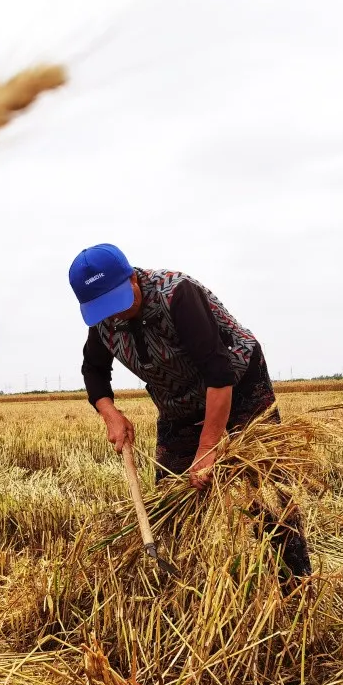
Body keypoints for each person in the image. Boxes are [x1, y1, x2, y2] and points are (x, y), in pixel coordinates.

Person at [68, 242, 313, 591]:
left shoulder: (177, 294)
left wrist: (209, 446)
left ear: (132, 278)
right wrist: (110, 413)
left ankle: (296, 588)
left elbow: (218, 371)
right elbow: (93, 369)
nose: (116, 314)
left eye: (118, 301)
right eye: (104, 307)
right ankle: (185, 589)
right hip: (178, 403)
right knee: (173, 495)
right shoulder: (104, 321)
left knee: (268, 490)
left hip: (238, 385)